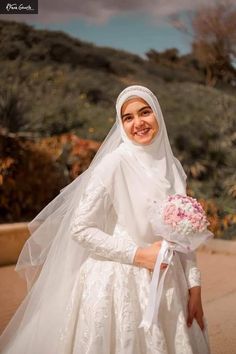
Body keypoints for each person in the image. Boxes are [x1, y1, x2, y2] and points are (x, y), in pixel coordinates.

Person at [0, 85, 211, 354]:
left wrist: (194, 287)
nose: (138, 123)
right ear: (121, 124)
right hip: (120, 281)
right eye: (128, 117)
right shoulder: (115, 164)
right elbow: (81, 228)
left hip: (170, 281)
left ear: (158, 114)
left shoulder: (175, 167)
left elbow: (182, 236)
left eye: (145, 112)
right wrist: (138, 255)